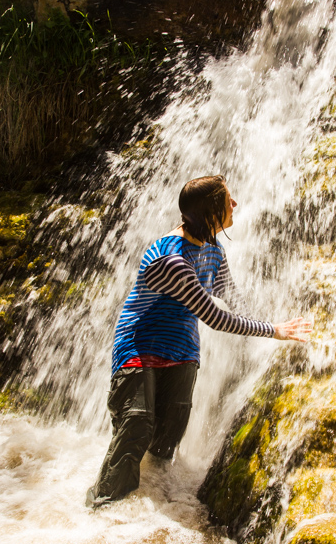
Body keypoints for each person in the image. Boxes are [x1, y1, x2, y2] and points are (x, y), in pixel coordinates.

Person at [86, 174, 312, 508]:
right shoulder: (171, 260)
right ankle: (102, 508)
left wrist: (274, 330)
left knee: (169, 434)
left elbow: (232, 298)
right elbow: (215, 317)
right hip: (138, 348)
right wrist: (273, 331)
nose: (234, 205)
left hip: (182, 351)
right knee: (137, 424)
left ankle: (151, 506)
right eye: (227, 200)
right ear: (210, 212)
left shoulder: (212, 250)